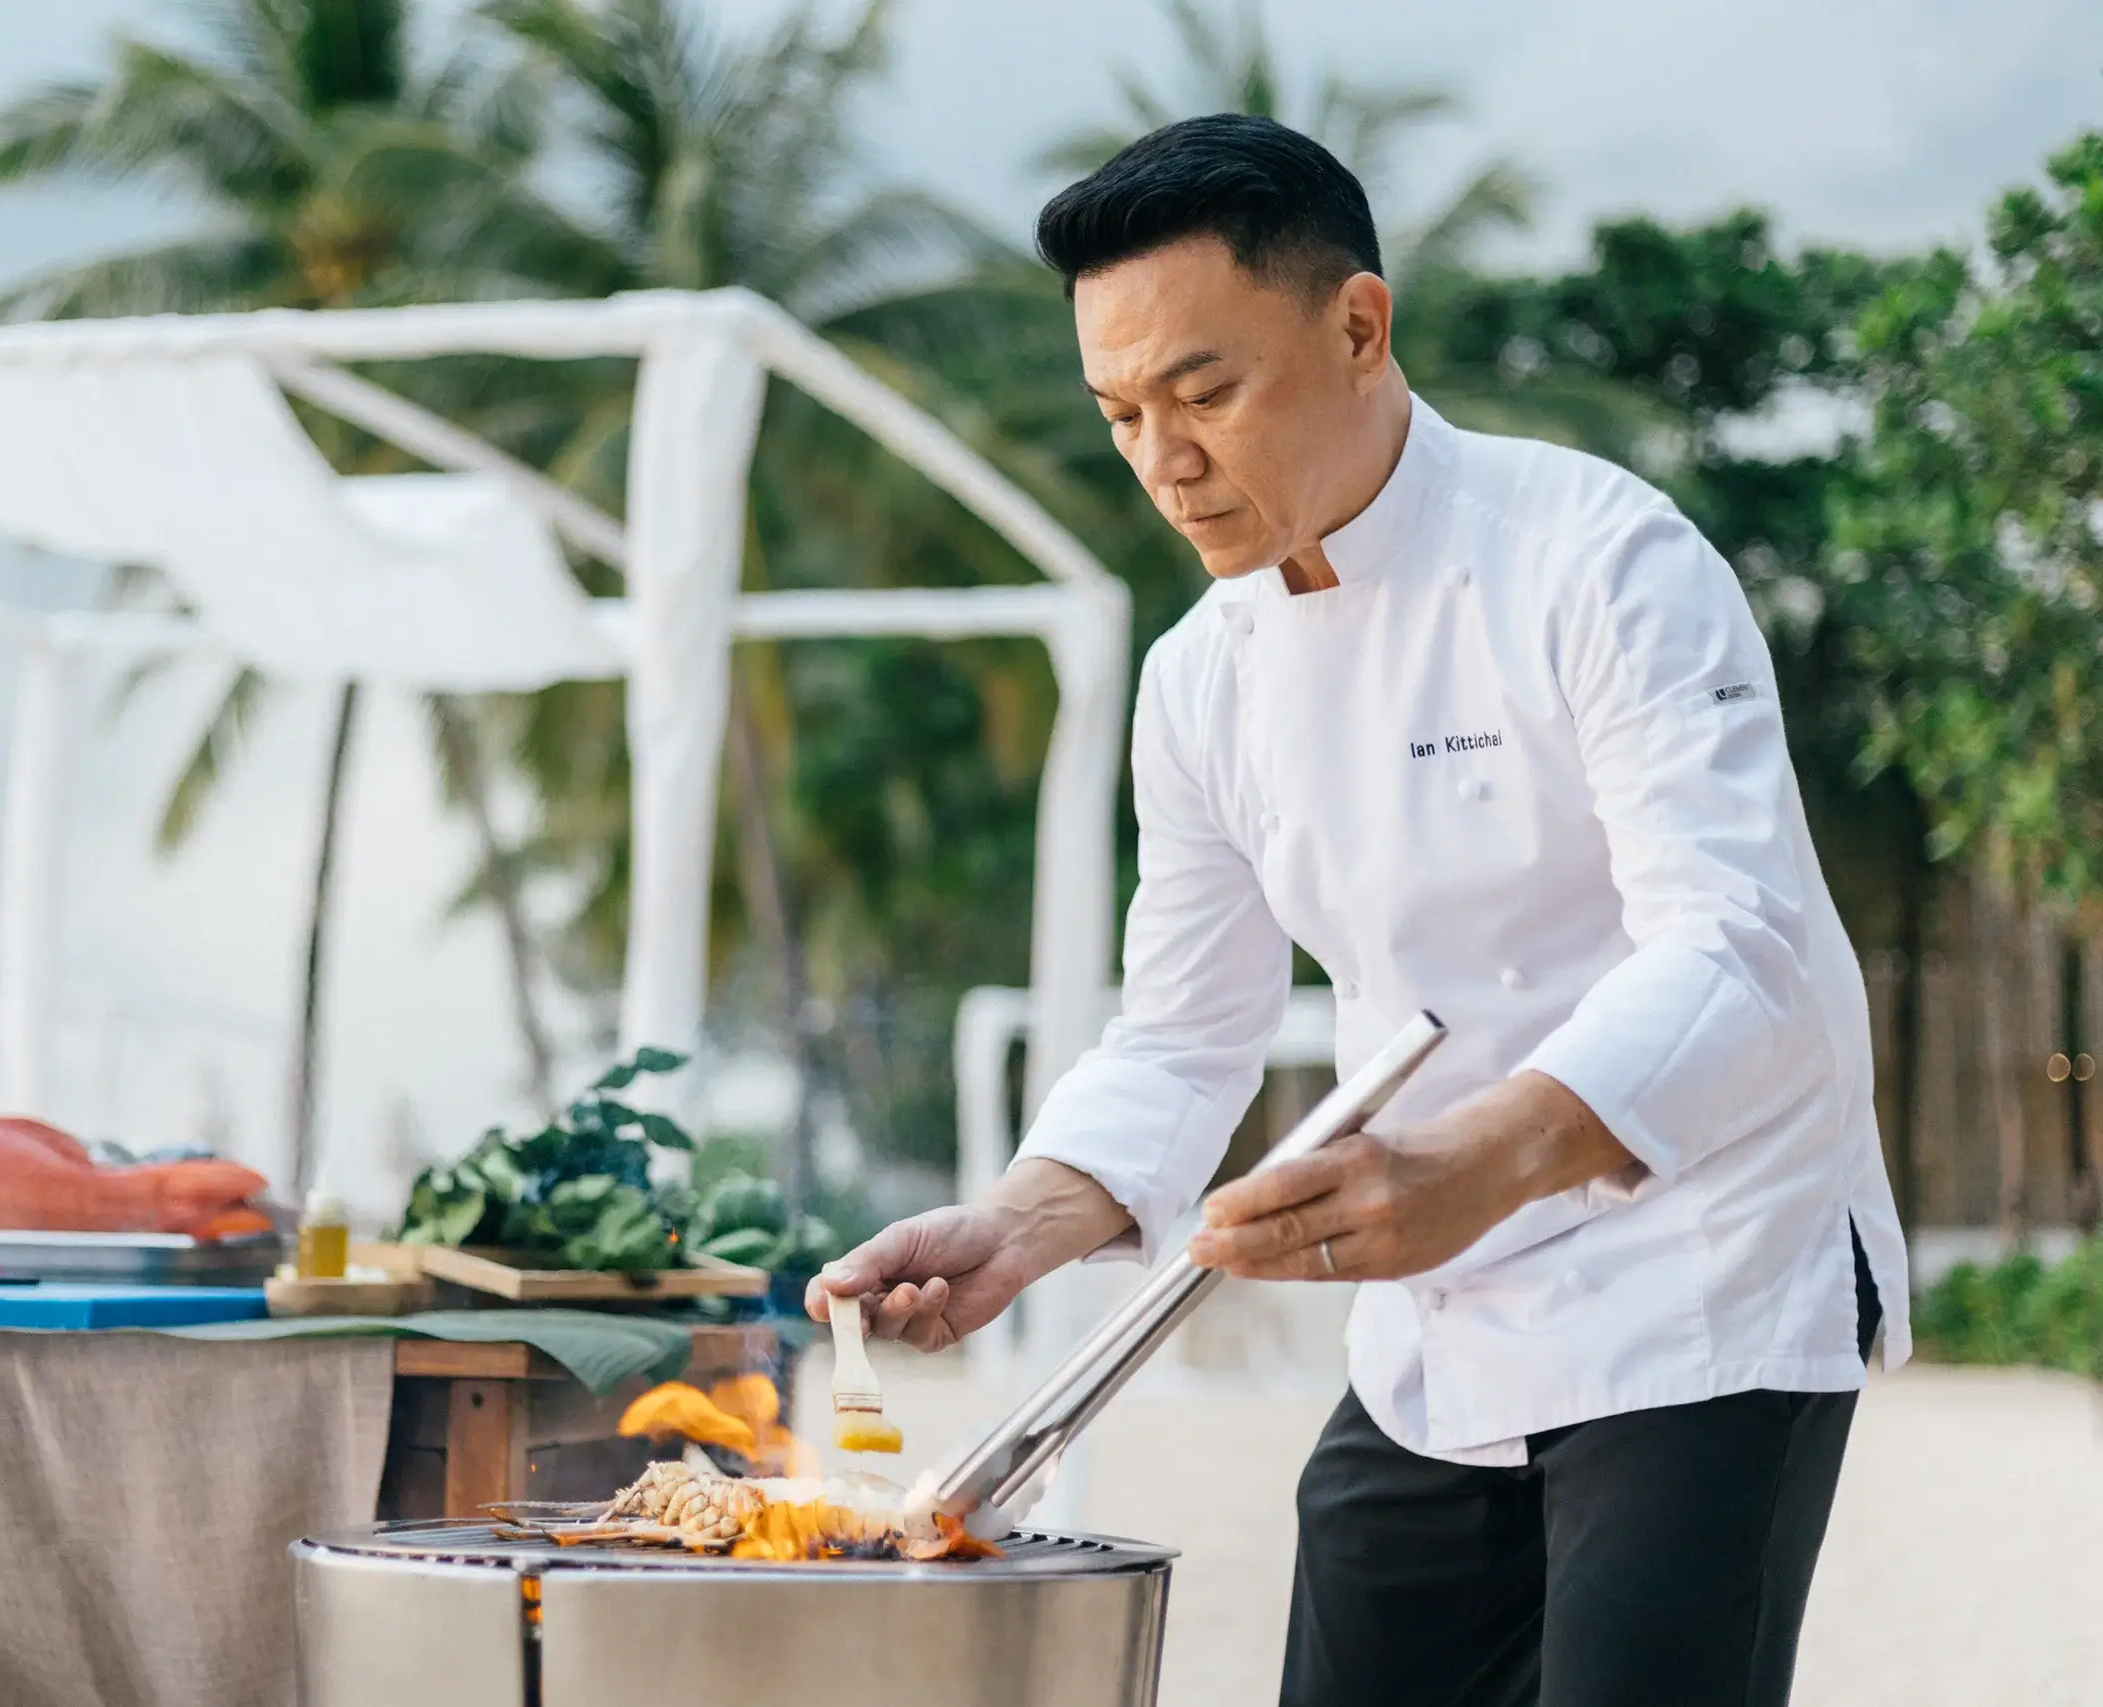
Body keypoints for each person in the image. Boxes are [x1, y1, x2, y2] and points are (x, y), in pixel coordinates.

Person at [808, 114, 1905, 1707]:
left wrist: (1484, 1161)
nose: (1163, 461)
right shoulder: (1199, 682)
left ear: (1359, 325)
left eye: (1204, 391)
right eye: (1119, 412)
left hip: (1707, 1267)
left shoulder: (1602, 560)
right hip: (1441, 1310)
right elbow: (1186, 1028)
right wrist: (1027, 1219)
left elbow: (1736, 947)